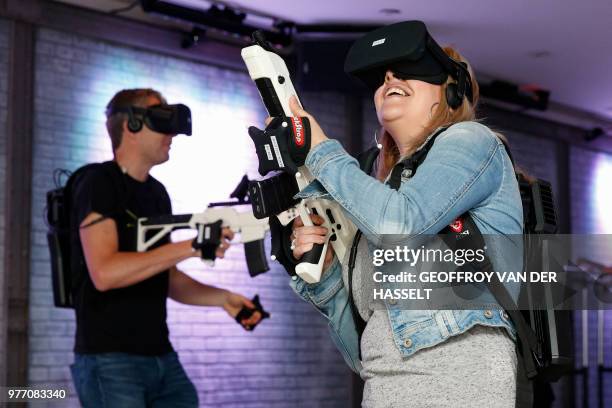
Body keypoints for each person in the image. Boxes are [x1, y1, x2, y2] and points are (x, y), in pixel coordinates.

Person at [283, 21, 528, 407]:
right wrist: (327, 269)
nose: (391, 77)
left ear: (451, 91)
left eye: (412, 70)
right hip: (385, 386)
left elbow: (400, 225)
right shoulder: (375, 193)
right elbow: (363, 335)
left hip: (459, 379)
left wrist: (320, 148)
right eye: (383, 76)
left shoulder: (473, 142)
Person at [70, 88, 262, 407]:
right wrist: (194, 245)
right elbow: (104, 273)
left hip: (161, 357)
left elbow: (165, 276)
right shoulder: (98, 182)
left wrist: (223, 298)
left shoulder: (156, 193)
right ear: (131, 125)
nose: (172, 133)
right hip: (110, 361)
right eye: (161, 121)